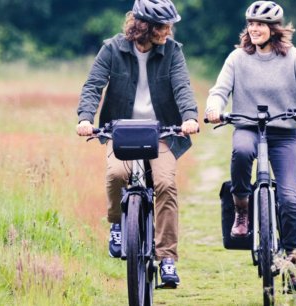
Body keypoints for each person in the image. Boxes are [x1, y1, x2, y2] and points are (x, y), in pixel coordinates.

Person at [76, 0, 199, 288]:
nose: (168, 31)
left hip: (163, 132)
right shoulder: (112, 49)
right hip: (121, 132)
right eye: (162, 25)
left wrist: (190, 117)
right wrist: (85, 118)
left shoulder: (173, 51)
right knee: (117, 174)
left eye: (170, 25)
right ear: (143, 26)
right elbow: (93, 85)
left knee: (165, 184)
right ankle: (118, 225)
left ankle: (167, 258)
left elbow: (183, 87)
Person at [205, 1, 296, 265]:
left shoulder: (293, 57)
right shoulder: (237, 58)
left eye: (260, 24)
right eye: (250, 23)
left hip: (283, 134)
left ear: (273, 29)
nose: (254, 29)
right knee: (241, 151)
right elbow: (219, 91)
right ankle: (241, 208)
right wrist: (214, 107)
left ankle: (293, 256)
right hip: (247, 127)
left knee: (288, 197)